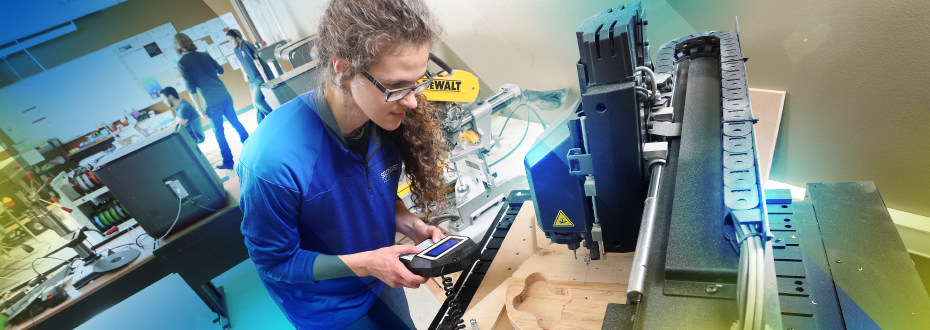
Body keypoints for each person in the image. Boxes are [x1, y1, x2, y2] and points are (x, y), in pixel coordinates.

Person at [236, 0, 451, 329]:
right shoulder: (271, 160)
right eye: (395, 86)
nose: (411, 101)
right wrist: (369, 263)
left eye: (418, 81)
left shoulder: (384, 119)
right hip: (324, 303)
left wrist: (411, 225)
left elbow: (367, 192)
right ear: (342, 67)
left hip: (378, 279)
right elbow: (276, 262)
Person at [174, 32, 248, 170]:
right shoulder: (204, 55)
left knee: (219, 131)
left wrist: (199, 108)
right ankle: (251, 145)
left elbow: (191, 89)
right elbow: (220, 70)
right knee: (235, 121)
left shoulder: (182, 63)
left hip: (211, 101)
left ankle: (228, 162)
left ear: (177, 47)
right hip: (224, 94)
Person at [226, 29, 276, 124]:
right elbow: (239, 61)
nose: (230, 42)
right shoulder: (236, 49)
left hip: (258, 78)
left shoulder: (247, 45)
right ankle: (261, 124)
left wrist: (265, 78)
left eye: (231, 39)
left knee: (258, 101)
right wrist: (244, 73)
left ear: (237, 38)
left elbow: (258, 63)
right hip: (251, 80)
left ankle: (274, 117)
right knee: (256, 105)